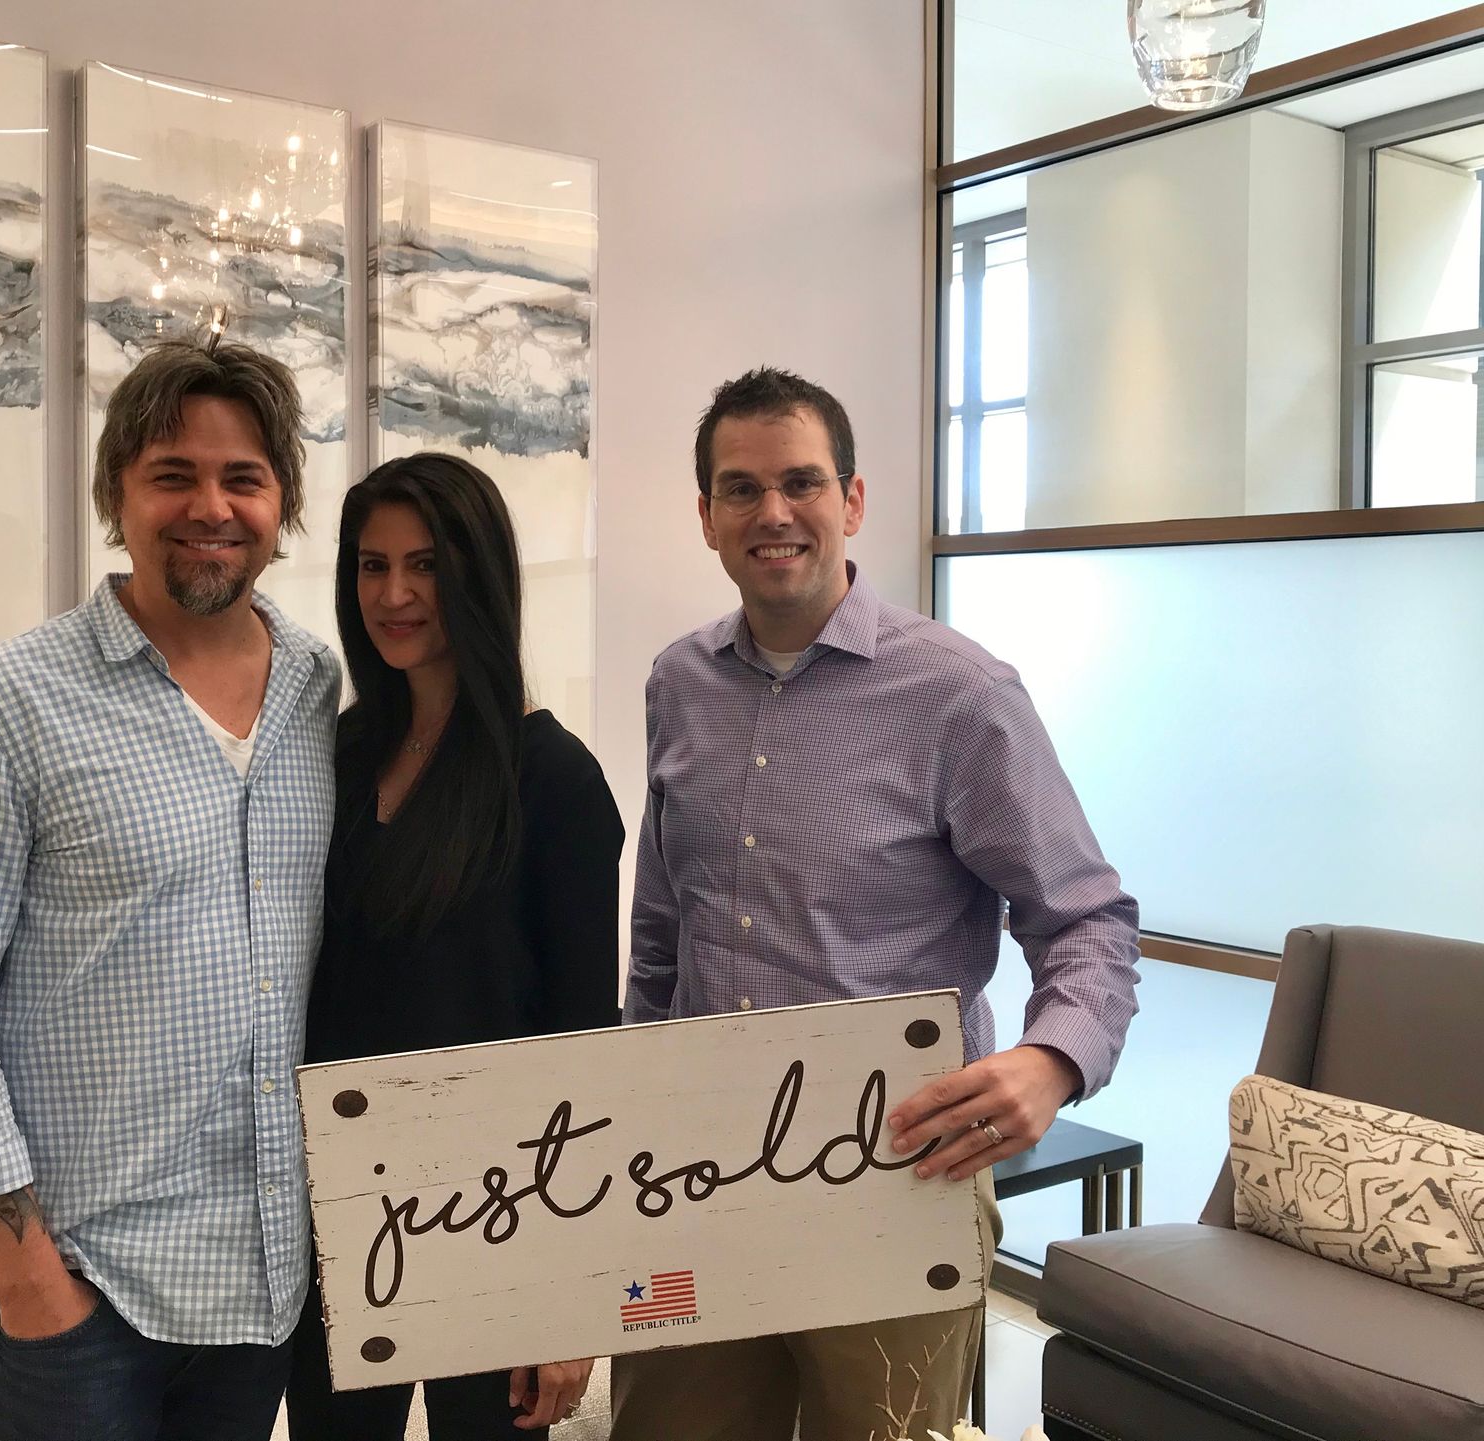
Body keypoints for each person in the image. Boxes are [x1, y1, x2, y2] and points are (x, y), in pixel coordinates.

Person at [611, 368, 1140, 1441]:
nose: (772, 513)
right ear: (705, 514)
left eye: (800, 482)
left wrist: (1053, 1060)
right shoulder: (678, 682)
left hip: (897, 1173)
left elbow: (1087, 919)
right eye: (740, 487)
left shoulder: (960, 693)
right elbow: (661, 935)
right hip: (697, 1170)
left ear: (852, 501)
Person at [0, 340, 340, 1441]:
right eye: (173, 474)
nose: (211, 507)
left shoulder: (321, 691)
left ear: (282, 504)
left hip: (266, 1275)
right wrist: (23, 1269)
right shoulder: (5, 705)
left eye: (245, 478)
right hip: (83, 1283)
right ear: (117, 495)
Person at [284, 453, 623, 1439]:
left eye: (425, 565)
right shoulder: (335, 755)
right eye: (371, 563)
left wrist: (572, 1301)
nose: (393, 594)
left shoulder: (555, 782)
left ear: (478, 576)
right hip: (341, 1216)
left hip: (496, 1218)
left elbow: (581, 1052)